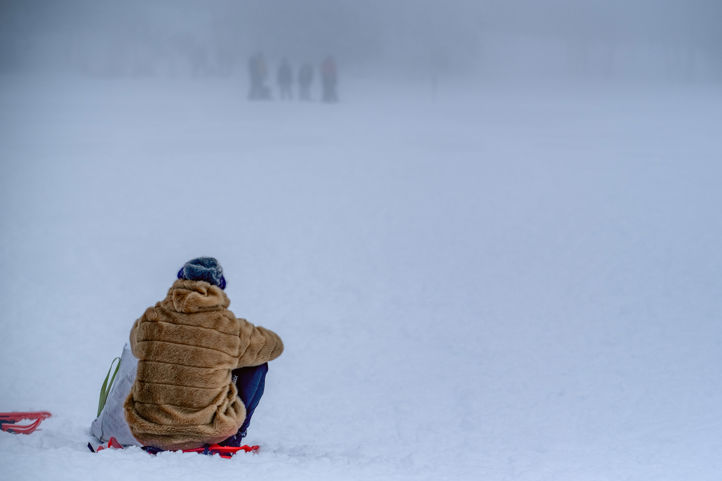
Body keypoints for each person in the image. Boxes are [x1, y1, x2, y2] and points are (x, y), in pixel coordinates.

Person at [123, 257, 284, 450]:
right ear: (219, 287)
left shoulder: (151, 318)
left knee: (156, 355)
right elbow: (275, 346)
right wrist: (223, 353)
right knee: (257, 365)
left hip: (147, 431)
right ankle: (233, 437)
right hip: (205, 433)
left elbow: (135, 347)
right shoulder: (228, 326)